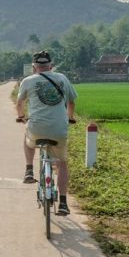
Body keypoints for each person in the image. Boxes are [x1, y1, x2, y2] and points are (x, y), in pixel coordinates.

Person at [15, 50, 78, 214]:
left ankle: (29, 169)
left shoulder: (28, 80)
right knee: (62, 163)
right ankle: (63, 202)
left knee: (27, 137)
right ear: (51, 66)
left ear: (34, 67)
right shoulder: (62, 78)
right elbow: (71, 102)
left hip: (36, 128)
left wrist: (21, 117)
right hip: (58, 129)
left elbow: (19, 103)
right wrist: (70, 118)